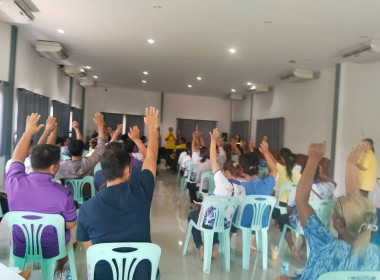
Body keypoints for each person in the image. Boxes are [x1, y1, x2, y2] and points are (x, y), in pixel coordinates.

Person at [276, 142, 380, 280]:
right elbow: (356, 206)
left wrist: (312, 160)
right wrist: (350, 165)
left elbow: (300, 199)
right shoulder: (375, 250)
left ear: (337, 223)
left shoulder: (324, 243)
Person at [76, 107, 159, 280]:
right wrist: (152, 129)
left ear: (102, 173)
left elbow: (90, 250)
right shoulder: (141, 191)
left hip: (104, 275)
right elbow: (150, 158)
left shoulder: (87, 208)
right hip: (142, 273)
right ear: (128, 171)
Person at [5, 113, 76, 272]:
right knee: (73, 237)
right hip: (52, 248)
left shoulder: (13, 182)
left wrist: (27, 133)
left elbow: (16, 158)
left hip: (20, 246)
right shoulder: (63, 193)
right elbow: (71, 224)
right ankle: (58, 268)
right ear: (53, 167)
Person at [187, 128, 246, 260]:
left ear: (225, 171)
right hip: (226, 223)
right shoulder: (242, 189)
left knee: (192, 216)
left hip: (210, 220)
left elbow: (213, 159)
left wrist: (213, 141)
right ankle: (216, 246)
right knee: (217, 214)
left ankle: (201, 247)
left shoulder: (221, 181)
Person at [277, 165, 336, 260]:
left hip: (302, 224)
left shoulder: (297, 189)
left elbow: (289, 209)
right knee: (303, 218)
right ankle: (304, 245)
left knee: (283, 219)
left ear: (302, 174)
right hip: (319, 223)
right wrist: (323, 174)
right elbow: (334, 184)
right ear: (318, 175)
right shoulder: (325, 188)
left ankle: (292, 246)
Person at [230, 137, 277, 250]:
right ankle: (251, 242)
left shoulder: (241, 187)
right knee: (257, 212)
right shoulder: (267, 184)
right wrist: (265, 152)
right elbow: (274, 170)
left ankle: (228, 237)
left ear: (244, 174)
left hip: (243, 221)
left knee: (235, 213)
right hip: (262, 221)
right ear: (258, 171)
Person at [55, 115, 107, 180]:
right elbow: (100, 148)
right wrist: (100, 126)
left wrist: (76, 129)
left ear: (69, 150)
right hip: (87, 190)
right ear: (83, 151)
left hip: (66, 190)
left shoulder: (61, 166)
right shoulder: (88, 162)